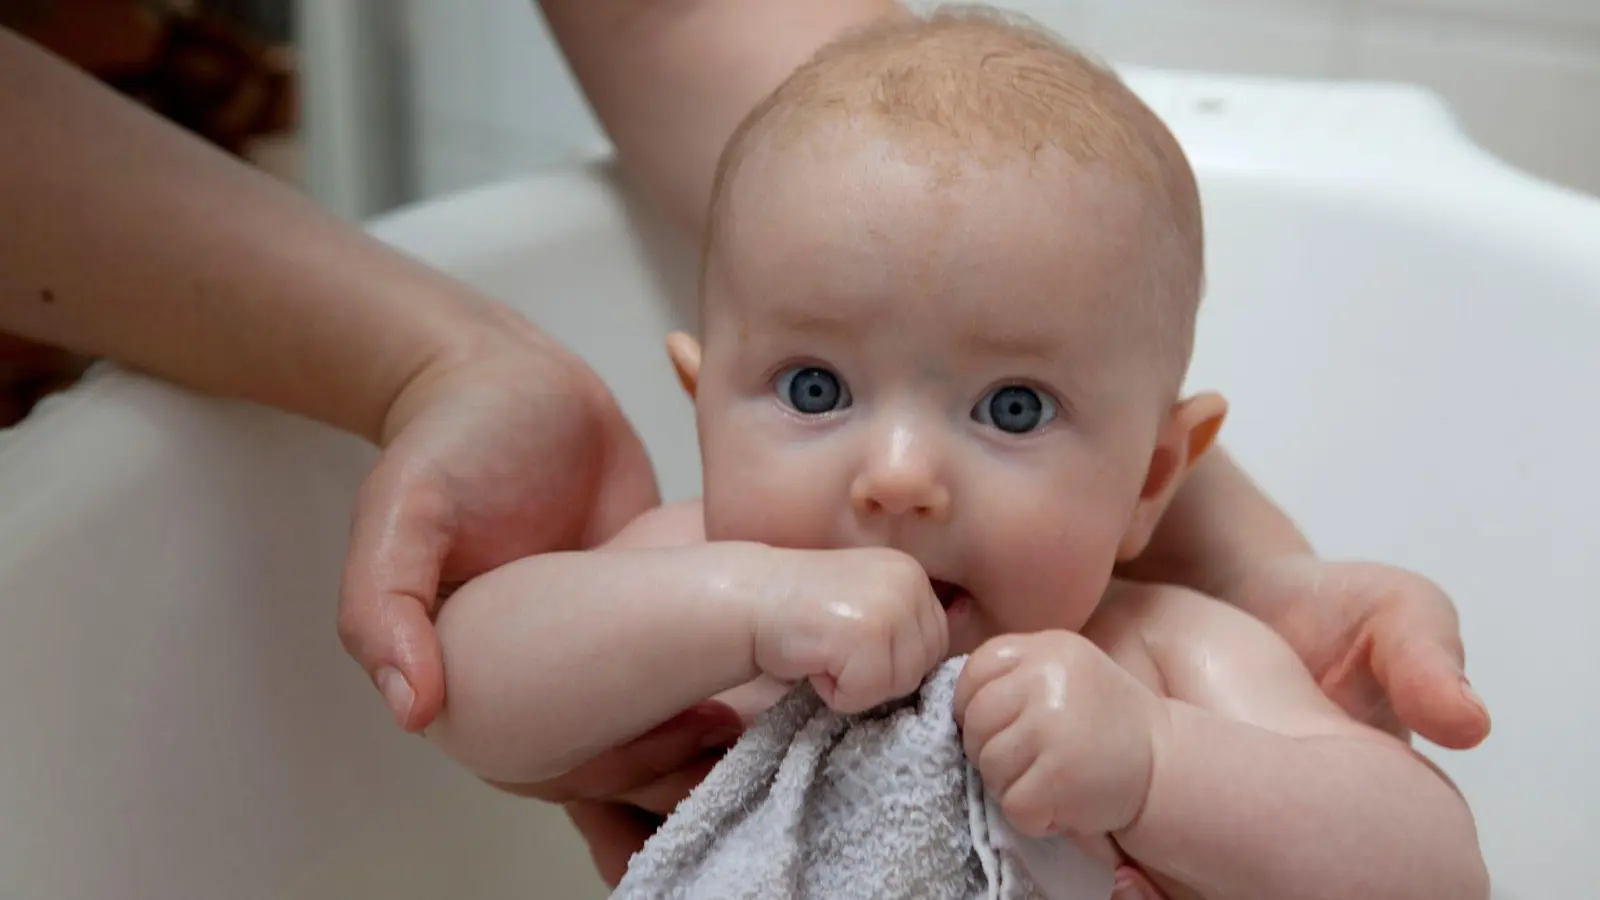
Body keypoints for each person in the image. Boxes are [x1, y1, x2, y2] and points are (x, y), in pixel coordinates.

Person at [0, 1, 1489, 886]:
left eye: (1013, 409)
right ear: (702, 398)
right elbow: (476, 699)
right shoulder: (704, 588)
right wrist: (737, 607)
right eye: (818, 390)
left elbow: (1430, 872)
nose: (896, 475)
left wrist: (1157, 769)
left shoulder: (1165, 655)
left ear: (1157, 475)